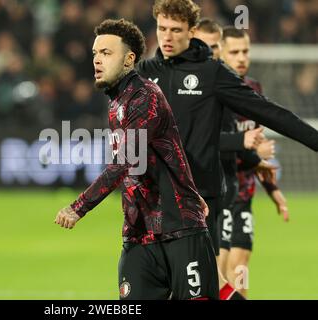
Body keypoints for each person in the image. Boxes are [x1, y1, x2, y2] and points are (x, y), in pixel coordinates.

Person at [136, 0, 318, 299]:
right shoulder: (146, 72)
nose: (166, 37)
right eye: (161, 28)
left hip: (199, 200)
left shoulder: (211, 73)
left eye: (175, 30)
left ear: (192, 31)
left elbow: (268, 111)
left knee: (201, 288)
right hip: (154, 199)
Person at [55, 19, 219, 300]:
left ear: (129, 59)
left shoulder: (145, 96)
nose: (97, 60)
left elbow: (125, 162)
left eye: (106, 53)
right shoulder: (117, 101)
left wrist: (79, 207)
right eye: (95, 53)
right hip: (139, 236)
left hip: (179, 229)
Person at [217, 27, 290, 298]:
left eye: (245, 51)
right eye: (234, 52)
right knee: (219, 271)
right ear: (220, 53)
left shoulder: (253, 89)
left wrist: (273, 191)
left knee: (240, 267)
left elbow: (256, 148)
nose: (241, 58)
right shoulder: (213, 94)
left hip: (244, 192)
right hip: (219, 193)